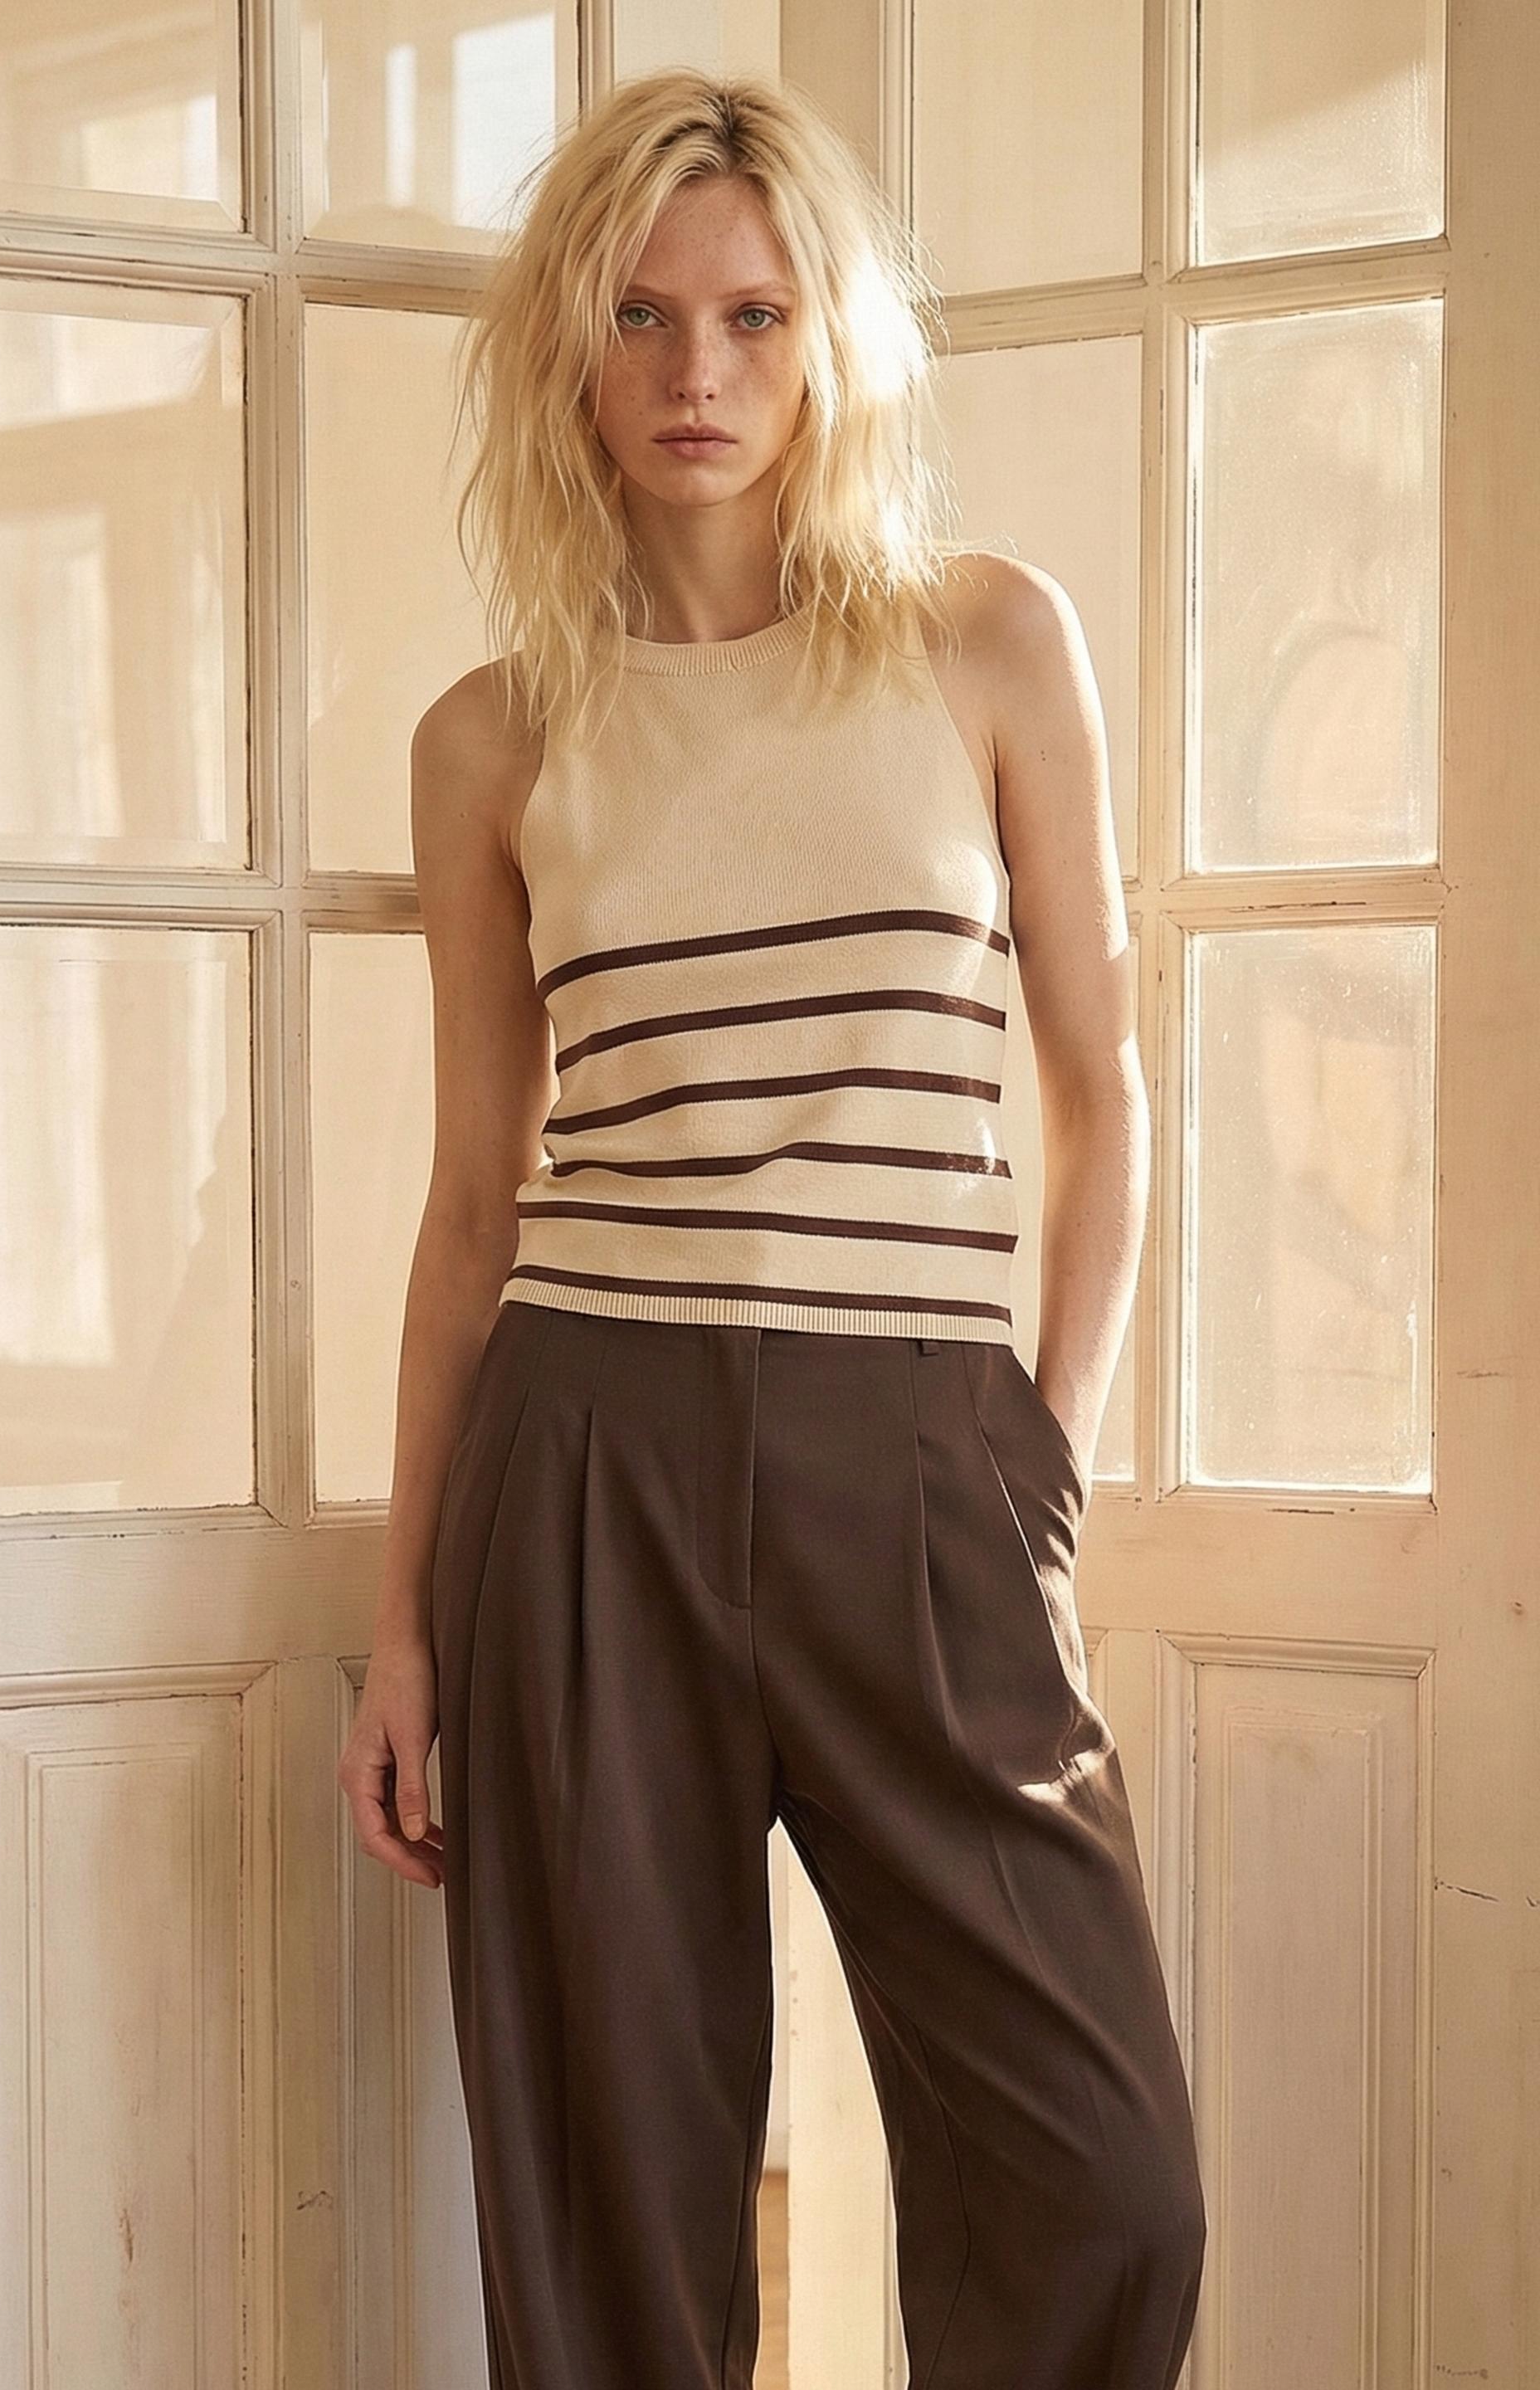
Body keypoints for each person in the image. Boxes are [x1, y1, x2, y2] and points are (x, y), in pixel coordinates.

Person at [338, 64, 1206, 2390]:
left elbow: (1106, 1092)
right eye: (638, 316)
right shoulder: (494, 742)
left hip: (919, 1453)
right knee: (609, 2186)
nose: (695, 373)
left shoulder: (984, 643)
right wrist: (403, 1631)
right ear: (571, 353)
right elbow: (470, 1203)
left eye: (750, 315)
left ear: (830, 338)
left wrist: (1042, 1466)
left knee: (1105, 2178)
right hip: (585, 1461)